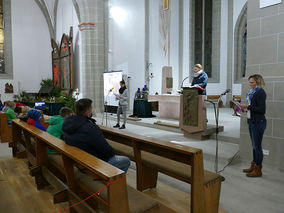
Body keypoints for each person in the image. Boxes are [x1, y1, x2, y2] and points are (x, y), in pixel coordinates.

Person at [62, 98, 130, 172]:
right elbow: (106, 151)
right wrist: (113, 152)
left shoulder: (68, 123)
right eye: (91, 108)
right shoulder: (90, 128)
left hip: (79, 160)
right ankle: (115, 182)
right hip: (92, 163)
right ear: (88, 112)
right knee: (126, 160)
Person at [239, 74, 266, 178]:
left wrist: (248, 106)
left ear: (258, 82)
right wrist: (245, 109)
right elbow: (253, 107)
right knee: (254, 146)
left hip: (258, 122)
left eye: (252, 82)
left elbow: (262, 110)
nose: (250, 84)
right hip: (252, 121)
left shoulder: (260, 92)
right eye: (249, 82)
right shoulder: (253, 92)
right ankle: (253, 166)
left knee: (257, 146)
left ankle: (258, 169)